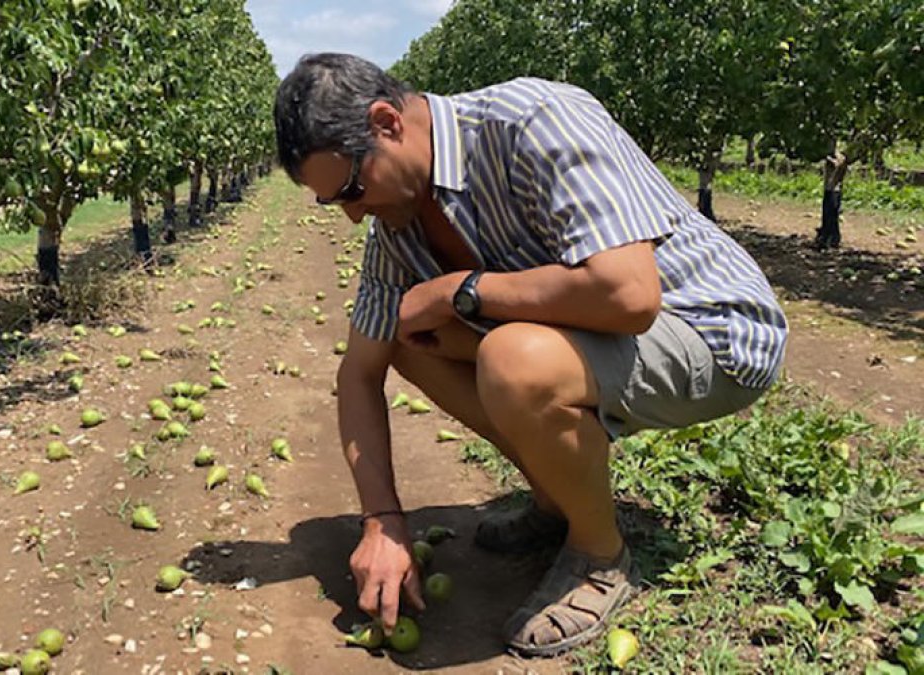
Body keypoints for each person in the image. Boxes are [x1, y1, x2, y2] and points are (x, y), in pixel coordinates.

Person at [272, 53, 787, 658]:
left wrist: (458, 291)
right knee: (410, 342)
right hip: (604, 342)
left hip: (711, 330)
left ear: (387, 122)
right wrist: (382, 520)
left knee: (511, 357)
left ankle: (600, 555)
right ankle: (556, 497)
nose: (355, 212)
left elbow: (630, 295)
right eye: (337, 204)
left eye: (354, 188)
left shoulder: (533, 120)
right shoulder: (397, 228)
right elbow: (359, 375)